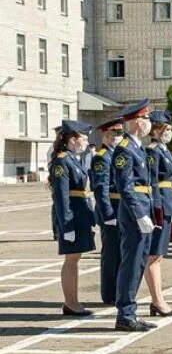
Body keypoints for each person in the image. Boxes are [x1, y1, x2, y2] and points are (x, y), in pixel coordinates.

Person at [110, 100, 158, 332]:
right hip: (133, 213)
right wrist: (139, 214)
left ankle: (130, 311)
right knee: (131, 263)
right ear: (137, 122)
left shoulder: (137, 148)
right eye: (146, 119)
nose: (149, 123)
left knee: (138, 262)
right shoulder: (125, 149)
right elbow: (125, 187)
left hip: (143, 209)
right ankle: (125, 313)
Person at [50, 120, 96, 316]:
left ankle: (73, 301)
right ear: (73, 139)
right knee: (71, 260)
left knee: (75, 258)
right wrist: (66, 225)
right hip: (72, 218)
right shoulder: (62, 161)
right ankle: (70, 302)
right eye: (84, 138)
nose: (86, 142)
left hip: (81, 215)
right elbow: (61, 197)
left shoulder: (74, 159)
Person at [144, 110, 172, 318]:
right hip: (160, 206)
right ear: (156, 130)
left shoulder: (163, 150)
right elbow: (152, 183)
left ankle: (158, 299)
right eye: (166, 129)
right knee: (154, 255)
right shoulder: (152, 152)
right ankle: (157, 300)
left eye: (170, 129)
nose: (170, 132)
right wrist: (156, 210)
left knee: (159, 255)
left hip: (168, 204)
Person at [90, 116, 124, 306]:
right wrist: (108, 214)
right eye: (114, 133)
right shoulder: (101, 158)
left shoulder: (116, 154)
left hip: (121, 208)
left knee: (120, 252)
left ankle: (118, 289)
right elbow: (100, 189)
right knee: (111, 254)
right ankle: (109, 293)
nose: (118, 136)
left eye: (120, 133)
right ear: (105, 134)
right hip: (110, 209)